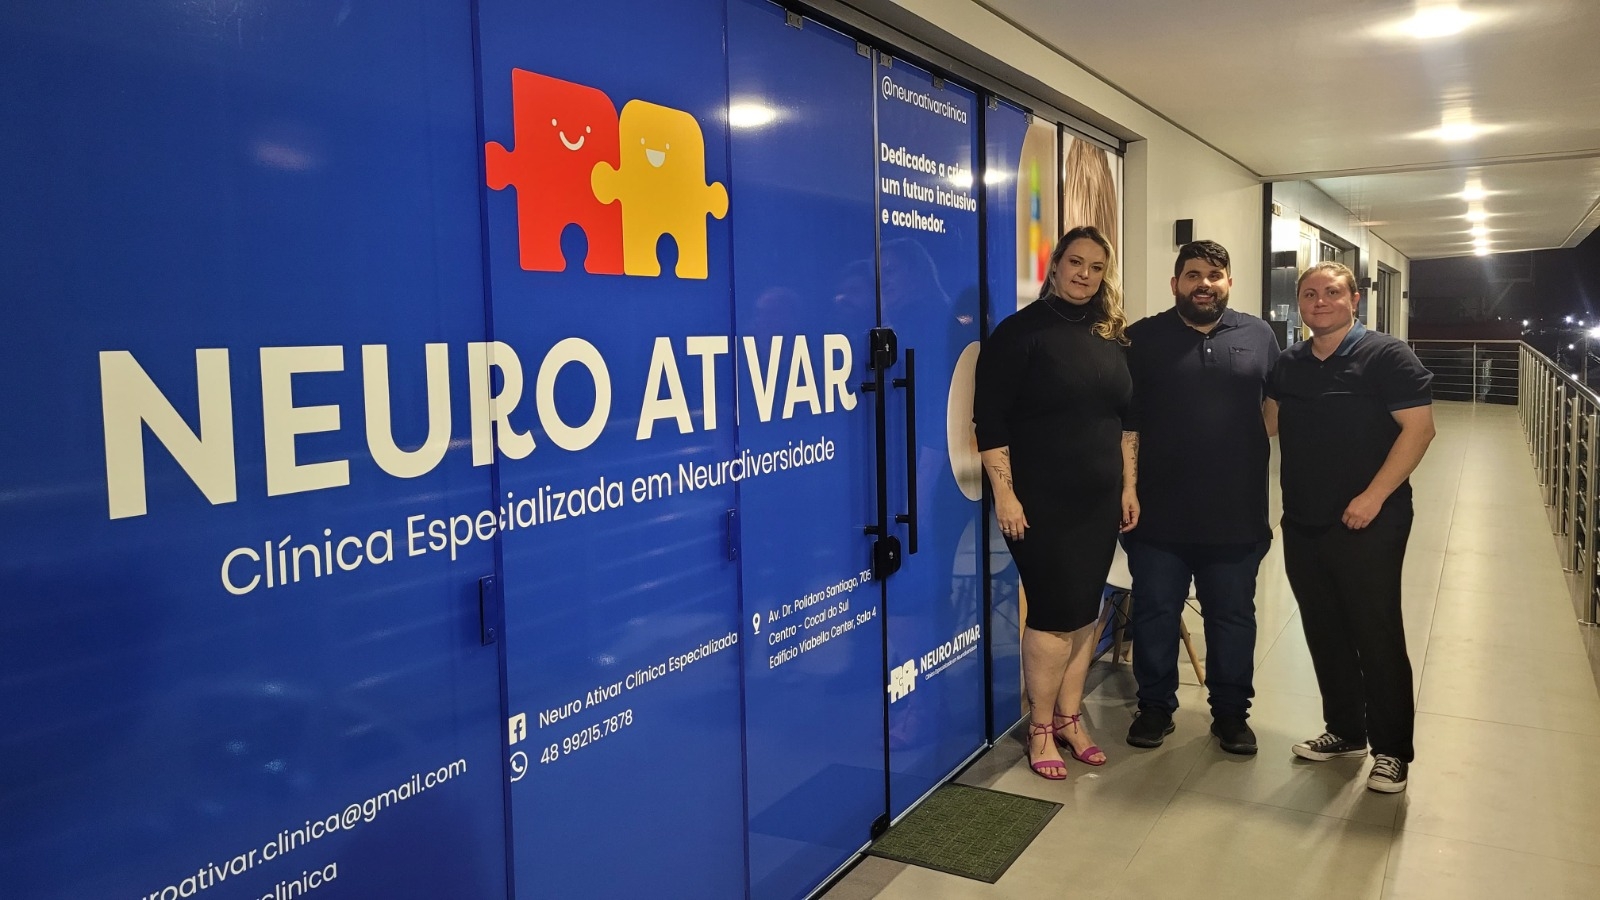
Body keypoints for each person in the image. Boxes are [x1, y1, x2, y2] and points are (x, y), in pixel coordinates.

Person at [973, 225, 1135, 779]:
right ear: (1056, 264)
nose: (1084, 274)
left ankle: (1069, 717)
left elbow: (1126, 419)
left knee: (1085, 611)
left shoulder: (1112, 333)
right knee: (1052, 613)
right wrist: (1005, 494)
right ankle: (1040, 726)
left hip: (1099, 501)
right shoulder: (1020, 332)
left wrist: (1128, 487)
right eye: (1075, 262)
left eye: (1096, 266)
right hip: (1040, 503)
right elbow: (990, 421)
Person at [1270, 261, 1435, 793]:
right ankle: (1345, 730)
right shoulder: (1289, 363)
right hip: (1303, 520)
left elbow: (1419, 430)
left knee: (1375, 631)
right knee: (1323, 628)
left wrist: (1373, 496)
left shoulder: (1387, 356)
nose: (1320, 301)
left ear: (1355, 299)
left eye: (1332, 292)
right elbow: (1266, 423)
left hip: (1370, 521)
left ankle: (1392, 751)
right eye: (1309, 294)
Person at [1121, 240, 1279, 754]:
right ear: (1176, 284)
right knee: (1155, 613)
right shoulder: (1142, 338)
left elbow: (1274, 405)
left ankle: (1231, 715)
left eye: (1214, 274)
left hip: (1236, 514)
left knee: (1232, 618)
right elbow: (1128, 424)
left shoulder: (1258, 335)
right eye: (1192, 275)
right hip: (1157, 515)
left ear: (1229, 282)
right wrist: (1128, 488)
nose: (1203, 284)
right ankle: (1154, 707)